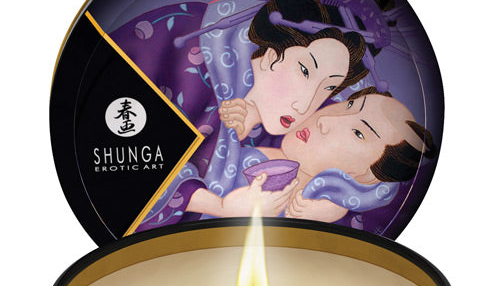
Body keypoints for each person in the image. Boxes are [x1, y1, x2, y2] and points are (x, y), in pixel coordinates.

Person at [182, 88, 435, 223]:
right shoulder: (255, 129)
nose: (325, 120)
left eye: (358, 133)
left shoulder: (317, 206)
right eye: (349, 105)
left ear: (369, 176)